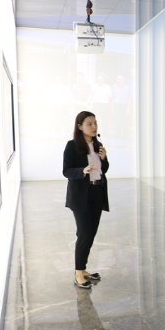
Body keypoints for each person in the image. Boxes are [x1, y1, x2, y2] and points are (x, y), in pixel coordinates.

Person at [63, 111, 109, 289]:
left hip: (97, 192)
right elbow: (66, 171)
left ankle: (83, 269)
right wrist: (82, 170)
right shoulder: (72, 145)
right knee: (84, 234)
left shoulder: (98, 145)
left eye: (95, 123)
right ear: (80, 126)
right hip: (80, 194)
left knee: (91, 232)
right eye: (89, 124)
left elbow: (103, 169)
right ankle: (78, 273)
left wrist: (103, 159)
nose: (94, 126)